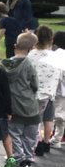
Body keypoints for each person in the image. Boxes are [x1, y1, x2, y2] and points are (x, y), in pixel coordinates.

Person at [1, 31, 39, 167]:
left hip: (13, 104)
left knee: (14, 133)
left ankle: (18, 156)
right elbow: (35, 84)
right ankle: (28, 158)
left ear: (15, 45)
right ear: (31, 49)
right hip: (30, 104)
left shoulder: (4, 64)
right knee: (30, 134)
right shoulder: (29, 64)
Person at [28, 25, 60, 155]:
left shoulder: (31, 55)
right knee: (48, 120)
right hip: (50, 94)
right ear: (51, 40)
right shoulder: (56, 57)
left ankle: (36, 142)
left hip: (34, 93)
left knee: (35, 121)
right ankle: (46, 142)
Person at [51, 30, 65, 146]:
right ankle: (57, 137)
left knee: (58, 115)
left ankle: (56, 139)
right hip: (61, 91)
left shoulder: (57, 56)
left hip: (59, 91)